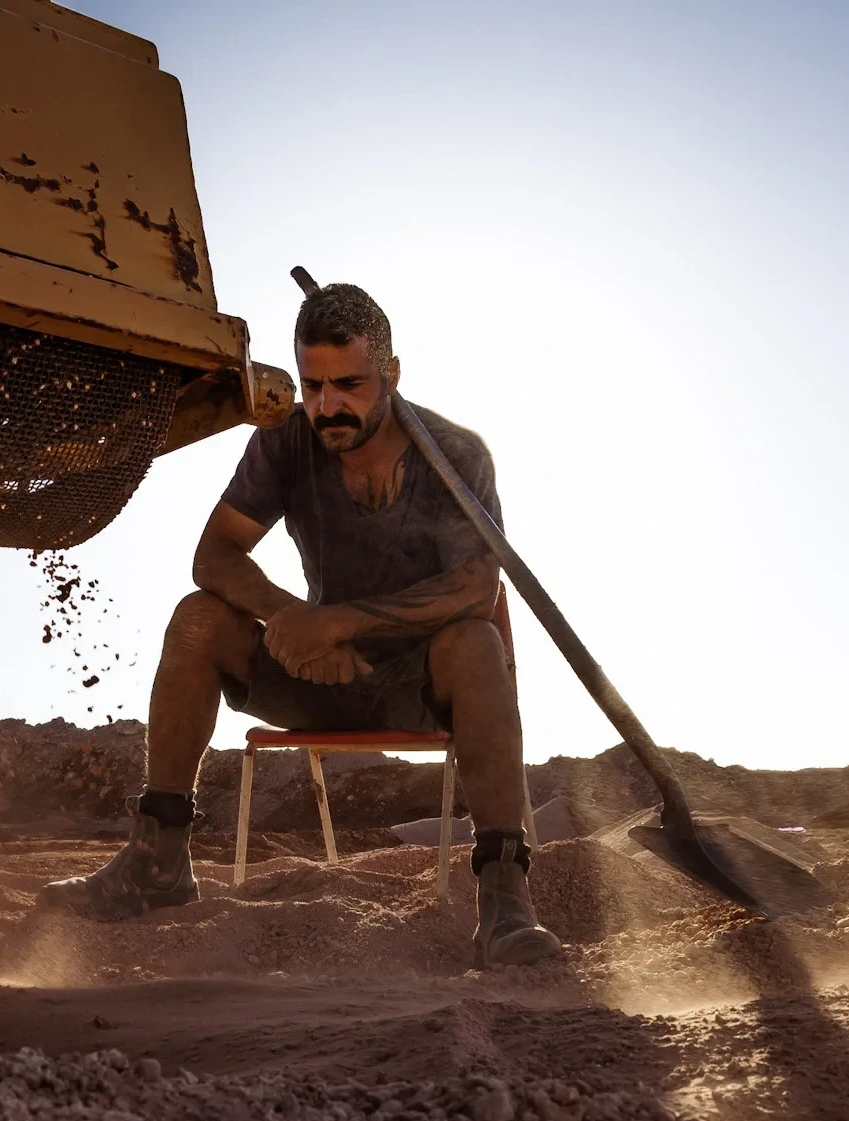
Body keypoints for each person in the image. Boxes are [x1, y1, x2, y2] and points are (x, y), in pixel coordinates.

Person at [38, 283, 562, 968]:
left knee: (478, 641)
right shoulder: (288, 441)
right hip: (311, 671)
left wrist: (342, 622)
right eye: (313, 385)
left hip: (413, 677)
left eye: (348, 384)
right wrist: (293, 619)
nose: (326, 406)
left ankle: (503, 900)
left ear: (392, 375)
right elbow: (213, 554)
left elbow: (476, 585)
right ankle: (159, 862)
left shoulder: (458, 455)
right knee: (199, 620)